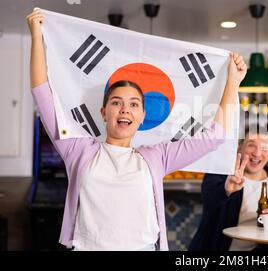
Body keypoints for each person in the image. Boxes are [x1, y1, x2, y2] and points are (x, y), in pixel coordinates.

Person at [27, 9, 247, 251]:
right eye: (116, 102)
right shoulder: (78, 151)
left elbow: (214, 136)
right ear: (103, 112)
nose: (124, 109)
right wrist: (37, 37)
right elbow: (42, 94)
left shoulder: (155, 157)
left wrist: (233, 83)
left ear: (142, 117)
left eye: (134, 104)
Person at [189, 129, 268, 251]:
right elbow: (209, 200)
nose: (257, 153)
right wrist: (226, 190)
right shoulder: (221, 172)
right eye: (251, 145)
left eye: (264, 147)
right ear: (239, 147)